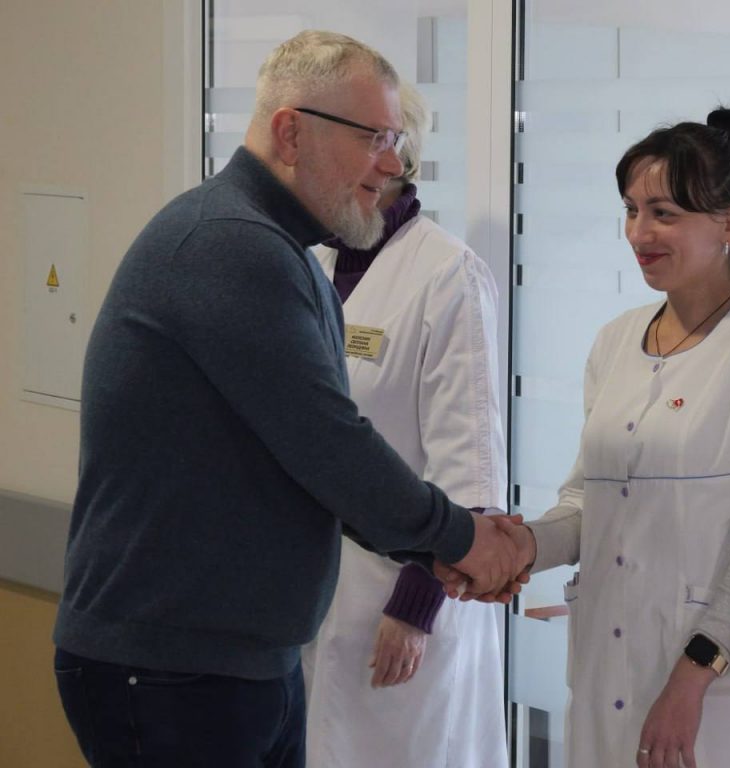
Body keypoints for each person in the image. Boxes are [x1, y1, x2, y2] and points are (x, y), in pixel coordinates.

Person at [52, 30, 521, 768]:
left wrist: (437, 553)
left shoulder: (277, 249)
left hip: (235, 661)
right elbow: (330, 446)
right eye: (373, 138)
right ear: (291, 132)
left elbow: (314, 461)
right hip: (174, 667)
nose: (393, 163)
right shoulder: (230, 246)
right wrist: (460, 542)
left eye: (395, 141)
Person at [500, 108, 730, 768]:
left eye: (664, 214)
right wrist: (520, 546)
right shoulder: (615, 340)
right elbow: (587, 502)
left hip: (712, 694)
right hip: (604, 673)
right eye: (631, 210)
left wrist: (691, 679)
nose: (638, 233)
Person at [301, 82, 508, 768]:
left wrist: (416, 606)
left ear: (395, 158)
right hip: (317, 596)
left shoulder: (447, 275)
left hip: (405, 604)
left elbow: (469, 465)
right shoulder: (314, 263)